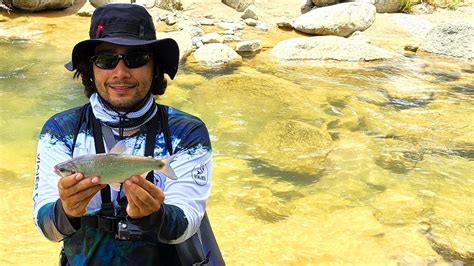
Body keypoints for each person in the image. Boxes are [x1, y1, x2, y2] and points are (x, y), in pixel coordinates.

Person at [32, 4, 223, 265]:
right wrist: (66, 210)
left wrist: (155, 216)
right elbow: (48, 228)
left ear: (155, 66)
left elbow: (188, 220)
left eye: (136, 58)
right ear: (91, 69)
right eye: (106, 60)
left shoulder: (186, 132)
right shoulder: (60, 130)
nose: (120, 73)